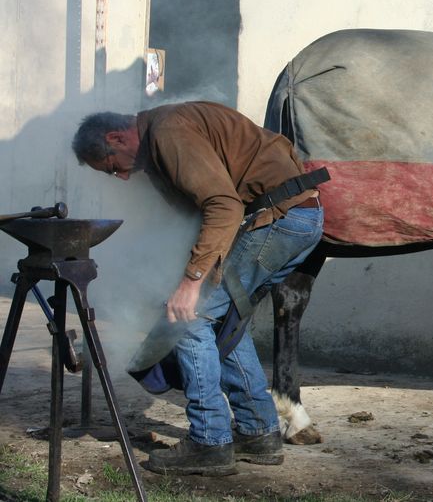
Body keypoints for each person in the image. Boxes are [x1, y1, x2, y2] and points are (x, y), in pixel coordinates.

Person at [72, 101, 326, 476]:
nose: (122, 177)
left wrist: (191, 284)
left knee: (190, 320)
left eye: (112, 167)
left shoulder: (167, 131)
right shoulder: (165, 132)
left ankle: (210, 442)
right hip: (298, 218)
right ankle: (258, 432)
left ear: (116, 137)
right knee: (221, 321)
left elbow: (223, 205)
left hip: (279, 220)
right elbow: (197, 214)